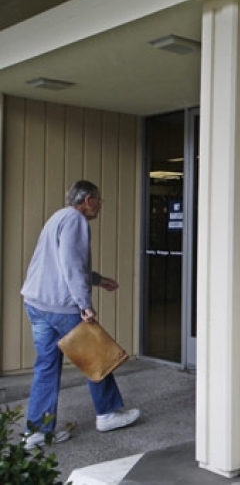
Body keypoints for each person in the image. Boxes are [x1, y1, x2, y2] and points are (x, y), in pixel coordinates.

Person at [21, 180, 140, 450]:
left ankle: (37, 431)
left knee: (46, 367)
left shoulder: (57, 217)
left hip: (37, 303)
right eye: (99, 200)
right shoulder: (76, 220)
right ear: (87, 199)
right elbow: (71, 265)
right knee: (95, 355)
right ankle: (107, 414)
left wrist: (97, 280)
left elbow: (57, 262)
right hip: (61, 305)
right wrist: (84, 304)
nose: (100, 205)